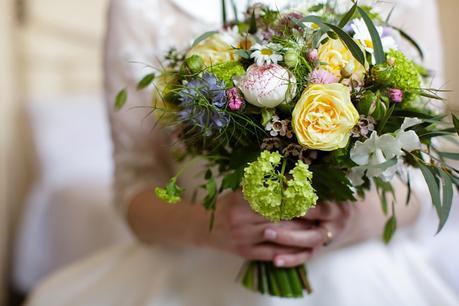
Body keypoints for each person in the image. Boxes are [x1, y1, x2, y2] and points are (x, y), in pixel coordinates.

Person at [27, 1, 459, 305]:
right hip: (198, 262)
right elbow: (133, 188)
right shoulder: (141, 7)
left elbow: (419, 178)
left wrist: (347, 222)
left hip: (351, 262)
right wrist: (210, 227)